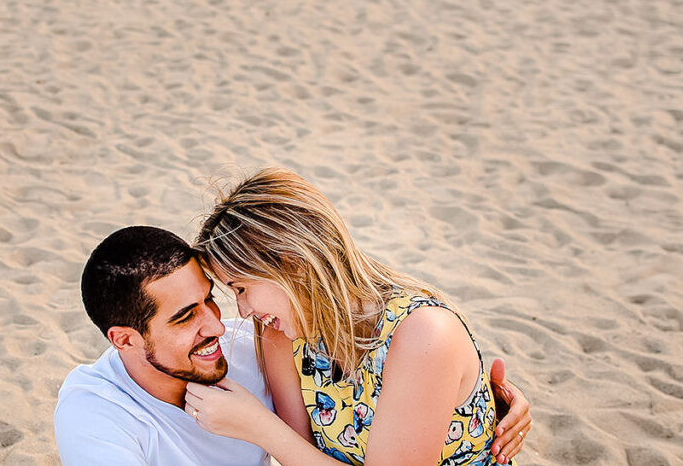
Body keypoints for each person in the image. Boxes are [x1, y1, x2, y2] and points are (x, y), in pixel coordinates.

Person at [55, 225, 530, 464]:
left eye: (211, 300)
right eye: (185, 317)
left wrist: (481, 402)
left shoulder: (260, 341)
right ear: (124, 339)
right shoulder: (95, 413)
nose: (219, 326)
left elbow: (393, 371)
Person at [187, 168, 532, 465]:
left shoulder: (423, 333)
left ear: (293, 262)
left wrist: (259, 427)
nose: (243, 311)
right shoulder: (280, 335)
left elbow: (287, 447)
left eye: (241, 288)